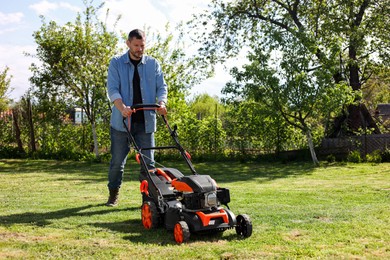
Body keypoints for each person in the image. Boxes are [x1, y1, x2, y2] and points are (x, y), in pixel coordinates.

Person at [105, 29, 168, 206]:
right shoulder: (116, 63)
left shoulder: (153, 64)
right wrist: (122, 107)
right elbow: (113, 89)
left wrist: (162, 103)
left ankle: (148, 200)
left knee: (149, 164)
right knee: (117, 162)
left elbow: (161, 86)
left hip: (146, 122)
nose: (140, 49)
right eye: (136, 45)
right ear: (128, 44)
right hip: (122, 122)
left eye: (142, 45)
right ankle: (113, 193)